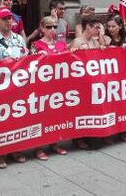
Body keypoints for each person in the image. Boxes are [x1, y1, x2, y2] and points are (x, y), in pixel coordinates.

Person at [0, 6, 28, 168]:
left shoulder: (18, 39)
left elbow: (26, 59)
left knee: (16, 118)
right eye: (5, 18)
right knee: (0, 120)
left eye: (10, 18)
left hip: (17, 86)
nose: (9, 21)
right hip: (0, 87)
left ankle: (15, 149)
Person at [30, 16, 68, 160]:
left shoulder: (61, 45)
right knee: (41, 117)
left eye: (54, 26)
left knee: (56, 116)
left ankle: (54, 142)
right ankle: (39, 147)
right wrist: (37, 57)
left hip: (58, 88)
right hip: (42, 88)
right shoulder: (36, 45)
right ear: (42, 29)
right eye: (49, 27)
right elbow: (30, 65)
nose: (52, 30)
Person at [69, 16, 102, 150]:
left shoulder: (95, 42)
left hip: (93, 83)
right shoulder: (77, 42)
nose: (99, 30)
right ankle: (78, 138)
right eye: (97, 27)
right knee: (80, 111)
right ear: (88, 26)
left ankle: (90, 135)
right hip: (81, 83)